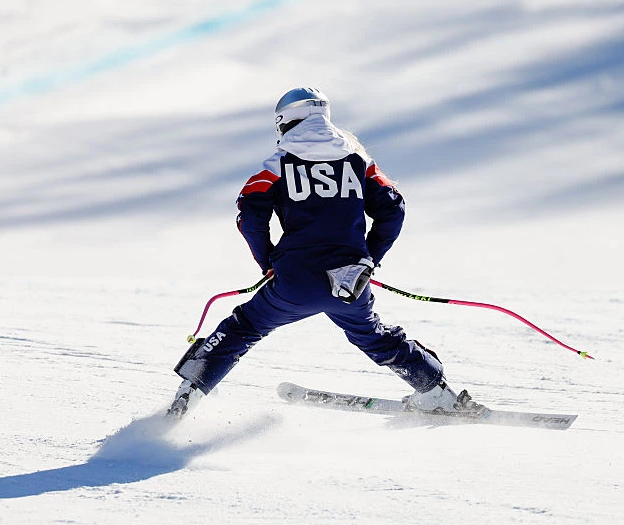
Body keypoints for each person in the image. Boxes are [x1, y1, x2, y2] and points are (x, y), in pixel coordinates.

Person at [166, 87, 481, 418]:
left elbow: (250, 216)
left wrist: (267, 262)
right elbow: (394, 209)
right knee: (374, 336)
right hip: (348, 282)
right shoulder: (359, 161)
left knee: (244, 327)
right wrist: (367, 261)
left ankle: (187, 398)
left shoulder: (277, 164)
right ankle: (436, 391)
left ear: (284, 121)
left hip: (294, 280)